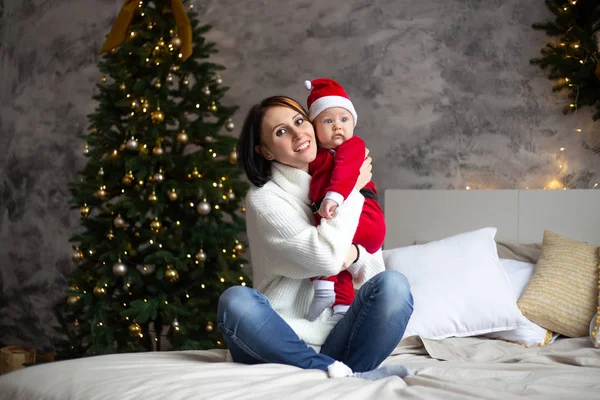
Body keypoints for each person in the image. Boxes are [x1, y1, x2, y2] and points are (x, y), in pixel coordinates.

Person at [217, 95, 414, 380]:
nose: (298, 133)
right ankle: (327, 370)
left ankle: (339, 371)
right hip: (279, 340)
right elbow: (327, 258)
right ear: (266, 151)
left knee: (394, 286)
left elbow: (371, 270)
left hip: (341, 340)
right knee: (235, 302)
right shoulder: (265, 199)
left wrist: (355, 253)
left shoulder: (343, 174)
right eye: (281, 132)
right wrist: (351, 191)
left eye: (299, 121)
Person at [304, 78, 386, 322]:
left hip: (366, 216)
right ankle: (340, 308)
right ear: (314, 128)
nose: (337, 126)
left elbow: (346, 172)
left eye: (344, 119)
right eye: (328, 121)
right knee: (340, 264)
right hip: (340, 216)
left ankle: (323, 287)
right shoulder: (316, 156)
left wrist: (335, 197)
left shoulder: (354, 146)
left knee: (329, 245)